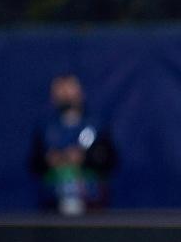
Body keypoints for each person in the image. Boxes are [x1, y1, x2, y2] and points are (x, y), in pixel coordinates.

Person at [29, 74, 118, 215]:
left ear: (80, 93)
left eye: (70, 90)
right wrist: (50, 159)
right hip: (53, 202)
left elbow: (109, 159)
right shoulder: (46, 128)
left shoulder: (96, 126)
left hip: (91, 202)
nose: (66, 95)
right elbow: (34, 163)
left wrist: (85, 157)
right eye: (61, 91)